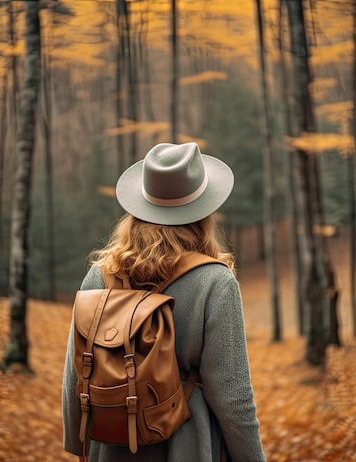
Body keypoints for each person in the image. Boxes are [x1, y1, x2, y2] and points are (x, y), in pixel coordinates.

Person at [62, 142, 266, 462]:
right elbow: (233, 397)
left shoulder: (98, 277)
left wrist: (82, 447)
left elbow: (75, 376)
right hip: (186, 445)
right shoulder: (215, 282)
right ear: (204, 212)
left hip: (112, 443)